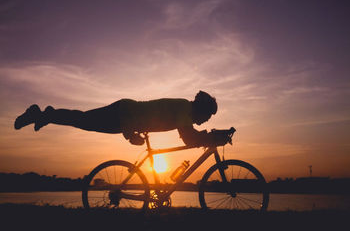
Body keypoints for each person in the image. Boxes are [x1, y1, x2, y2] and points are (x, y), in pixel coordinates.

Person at [14, 91, 229, 147]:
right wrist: (212, 138)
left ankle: (48, 114)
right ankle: (42, 114)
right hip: (123, 113)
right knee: (83, 121)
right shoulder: (185, 108)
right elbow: (189, 138)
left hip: (125, 116)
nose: (206, 121)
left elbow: (190, 136)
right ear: (201, 109)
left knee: (82, 121)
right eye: (208, 116)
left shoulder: (185, 111)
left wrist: (211, 137)